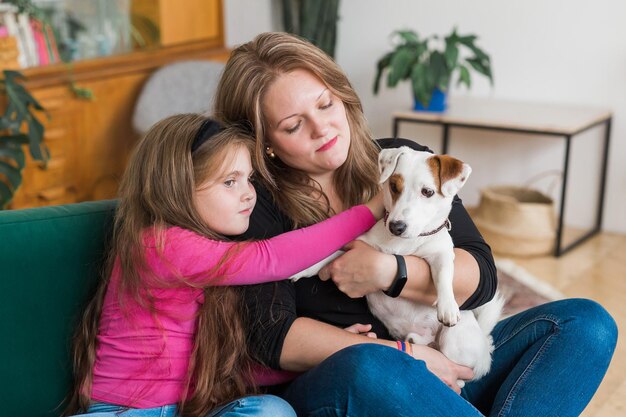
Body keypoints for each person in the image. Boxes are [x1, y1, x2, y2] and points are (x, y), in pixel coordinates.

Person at [212, 32, 618, 416]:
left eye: (325, 104)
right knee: (368, 367)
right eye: (294, 125)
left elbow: (482, 278)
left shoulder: (402, 160)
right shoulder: (252, 204)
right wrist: (406, 356)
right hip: (354, 383)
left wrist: (392, 272)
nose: (323, 129)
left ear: (342, 96)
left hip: (447, 364)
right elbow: (271, 337)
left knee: (587, 325)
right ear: (264, 142)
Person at [64, 114, 385, 417]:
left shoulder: (213, 256)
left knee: (271, 411)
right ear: (178, 188)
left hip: (191, 409)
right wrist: (373, 209)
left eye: (249, 180)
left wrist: (330, 350)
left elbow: (229, 369)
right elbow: (273, 259)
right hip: (127, 411)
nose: (248, 195)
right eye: (230, 182)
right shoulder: (158, 245)